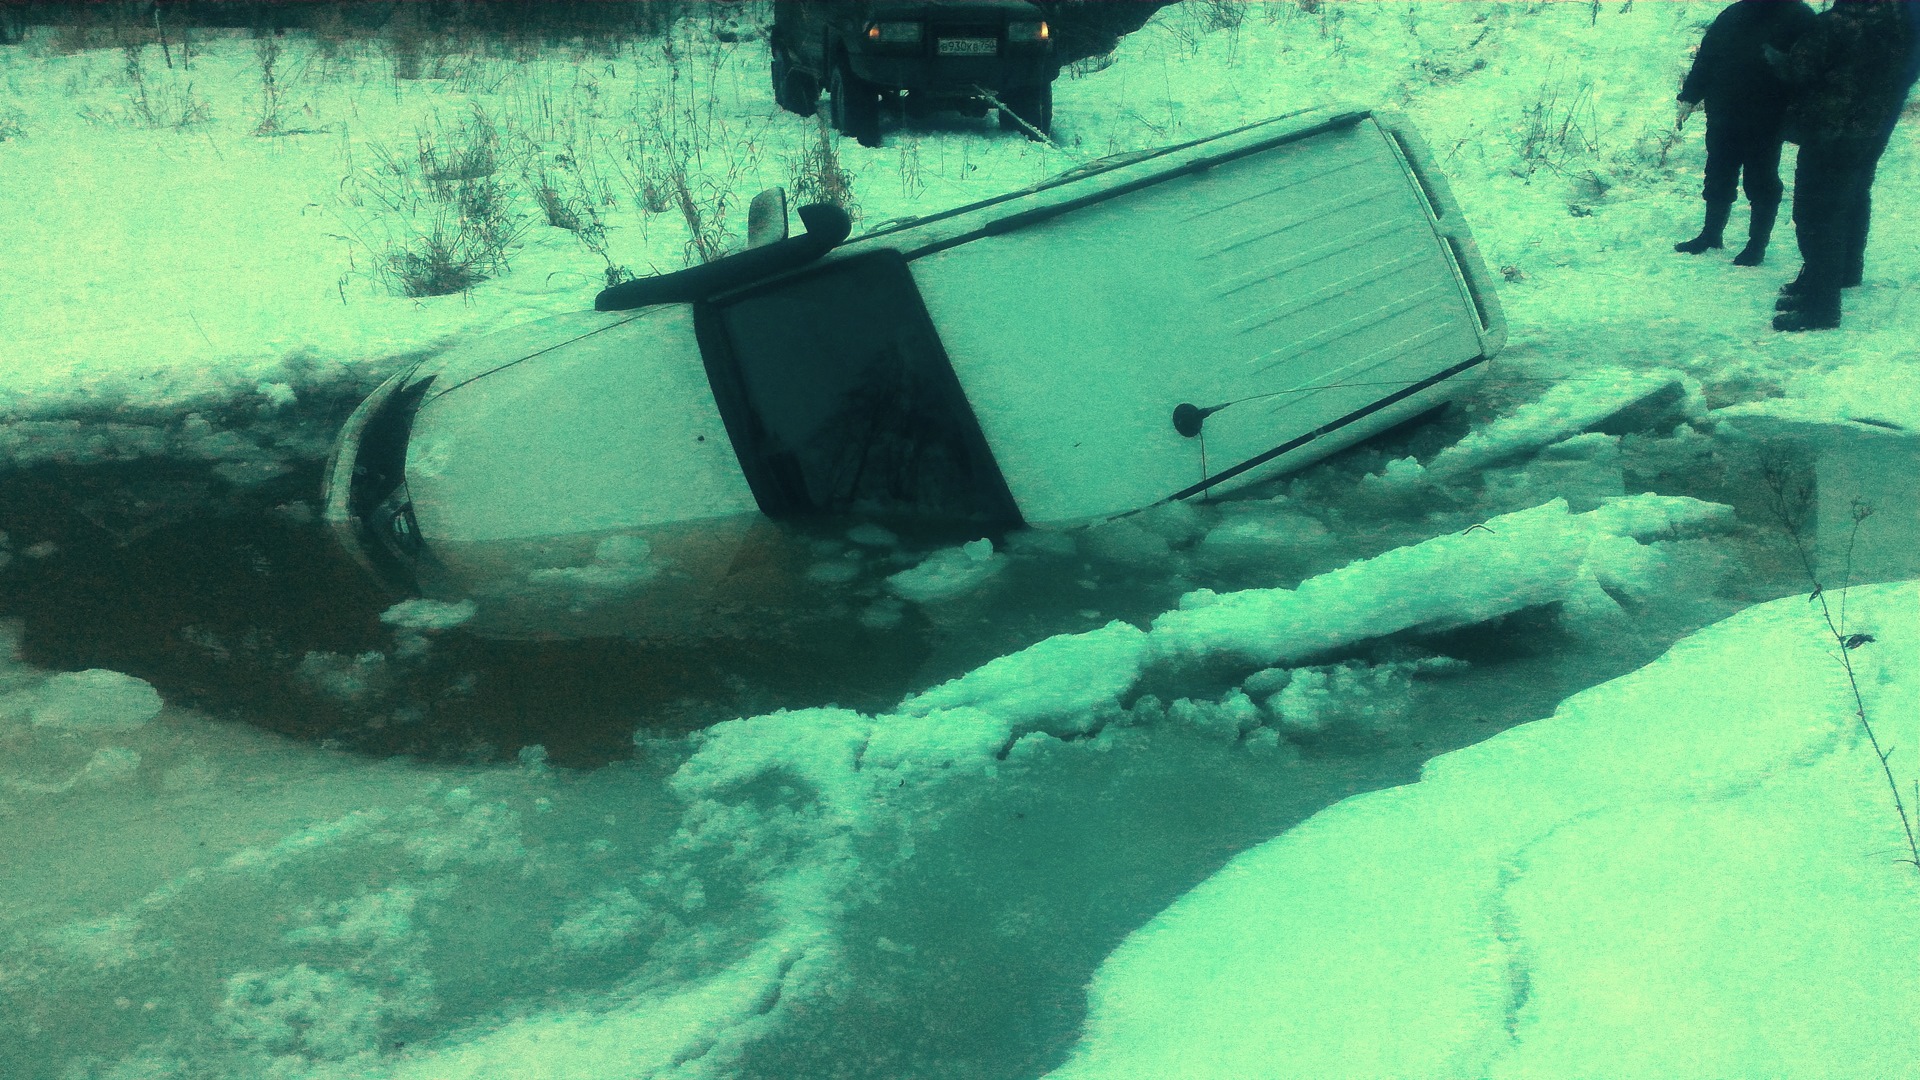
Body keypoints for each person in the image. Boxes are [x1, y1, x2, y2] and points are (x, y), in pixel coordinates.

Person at [1767, 0, 1920, 331]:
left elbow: (1799, 72)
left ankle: (1821, 307)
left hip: (1828, 131)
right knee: (1852, 197)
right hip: (1870, 128)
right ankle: (1846, 273)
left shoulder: (1833, 25)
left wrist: (1775, 57)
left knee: (1817, 215)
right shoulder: (1899, 26)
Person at [1673, 0, 1818, 265]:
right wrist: (1689, 95)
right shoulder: (1734, 13)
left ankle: (1756, 246)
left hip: (1767, 116)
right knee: (1718, 172)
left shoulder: (1799, 16)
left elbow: (1810, 69)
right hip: (1723, 111)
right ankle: (1711, 235)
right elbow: (1708, 56)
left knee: (1761, 179)